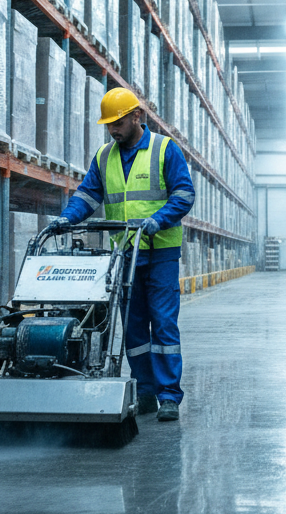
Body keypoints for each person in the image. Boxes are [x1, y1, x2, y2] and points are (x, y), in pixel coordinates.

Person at [50, 87, 195, 422]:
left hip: (160, 252)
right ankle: (144, 391)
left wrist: (158, 220)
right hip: (126, 255)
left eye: (118, 122)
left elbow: (185, 194)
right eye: (108, 125)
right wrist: (66, 218)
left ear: (136, 117)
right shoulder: (104, 157)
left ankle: (169, 395)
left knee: (163, 325)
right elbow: (88, 194)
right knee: (132, 329)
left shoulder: (164, 149)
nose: (113, 129)